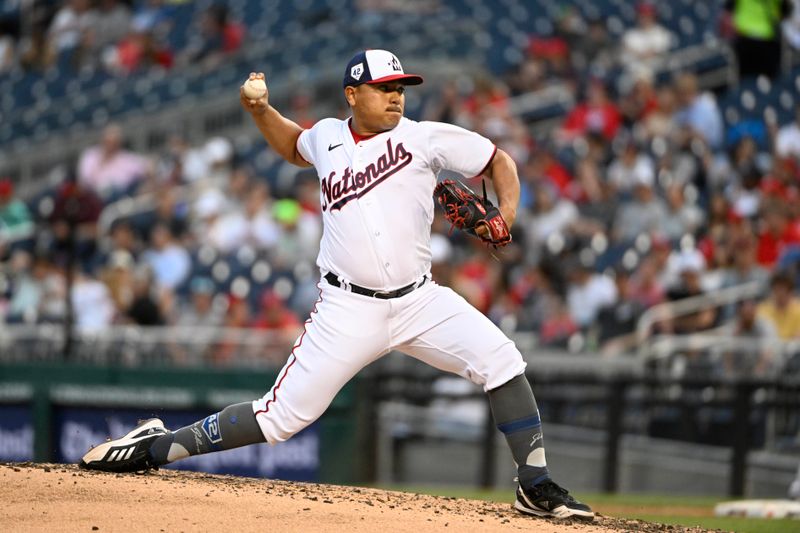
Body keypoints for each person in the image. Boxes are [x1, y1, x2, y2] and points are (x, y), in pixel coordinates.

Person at [78, 49, 594, 521]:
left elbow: (498, 160)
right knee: (280, 419)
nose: (396, 96)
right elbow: (293, 147)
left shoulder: (422, 136)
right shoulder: (326, 135)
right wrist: (260, 111)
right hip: (347, 308)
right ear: (352, 94)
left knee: (502, 360)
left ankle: (535, 484)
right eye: (384, 87)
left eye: (401, 88)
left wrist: (505, 214)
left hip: (420, 299)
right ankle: (156, 446)